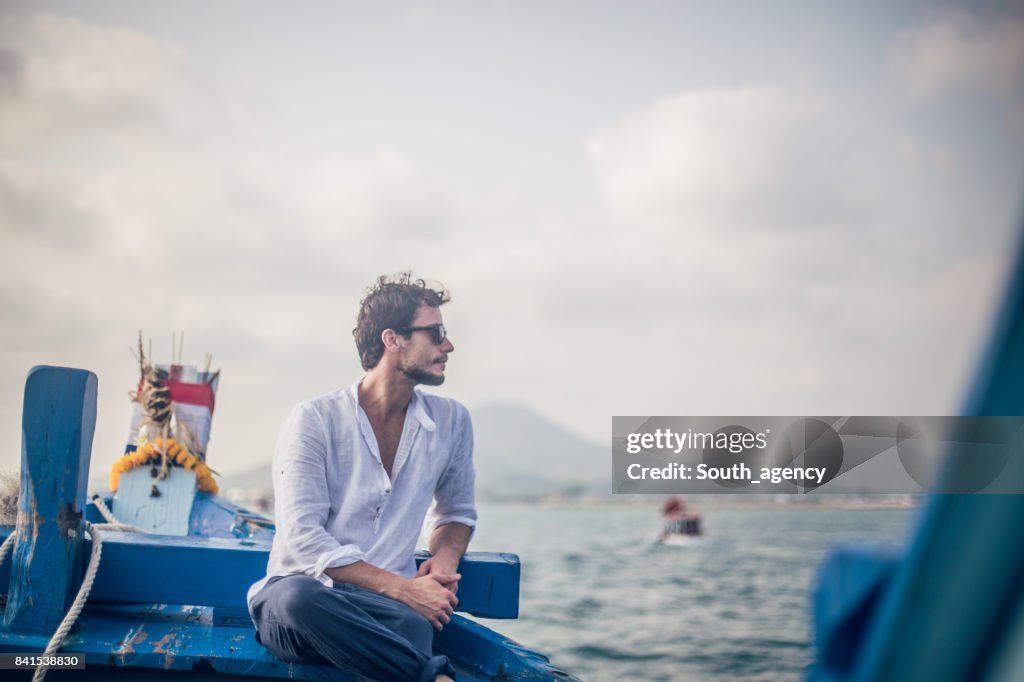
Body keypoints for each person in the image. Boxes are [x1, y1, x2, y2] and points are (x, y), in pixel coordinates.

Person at [247, 273, 476, 682]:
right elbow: (303, 540)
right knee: (299, 598)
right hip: (305, 603)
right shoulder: (314, 419)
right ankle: (431, 677)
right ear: (393, 340)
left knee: (413, 625)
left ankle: (401, 663)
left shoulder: (453, 421)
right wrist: (405, 590)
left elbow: (455, 512)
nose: (448, 345)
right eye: (436, 333)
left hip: (382, 614)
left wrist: (444, 559)